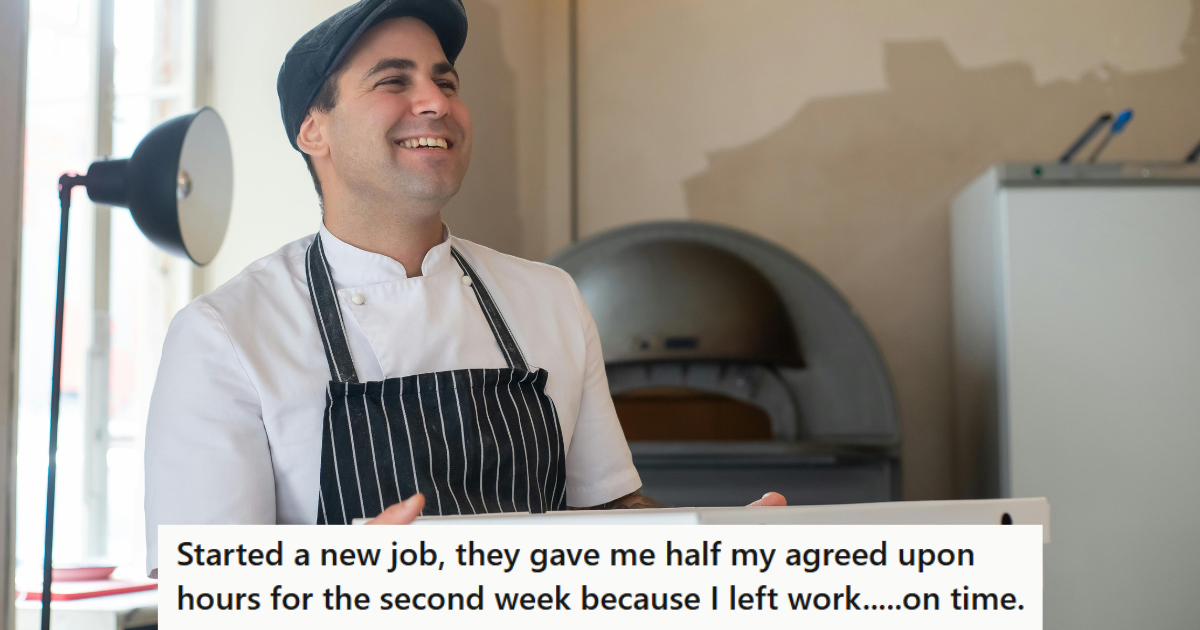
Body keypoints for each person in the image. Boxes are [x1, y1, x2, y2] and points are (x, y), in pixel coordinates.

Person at [143, 0, 783, 577]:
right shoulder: (225, 334)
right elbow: (202, 590)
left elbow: (606, 512)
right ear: (314, 130)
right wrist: (337, 581)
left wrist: (719, 548)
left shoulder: (547, 297)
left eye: (445, 81)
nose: (436, 101)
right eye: (394, 80)